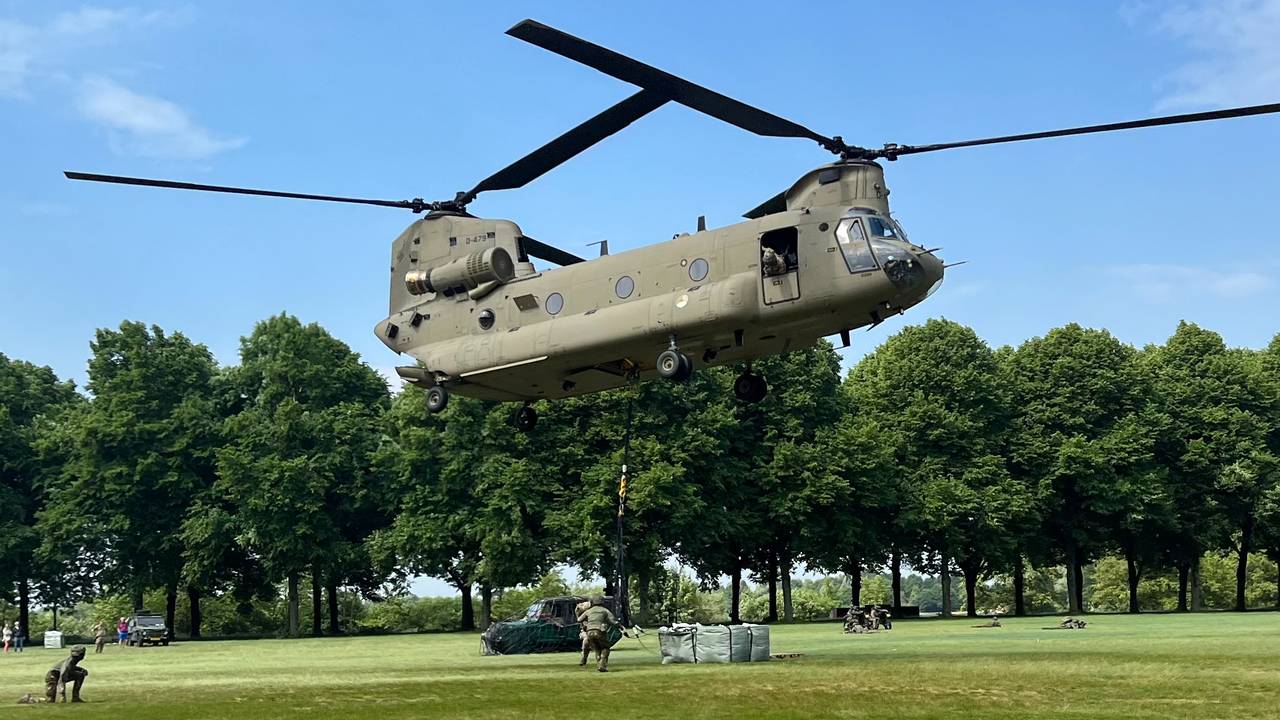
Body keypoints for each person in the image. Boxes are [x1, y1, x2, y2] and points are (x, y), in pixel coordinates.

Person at [576, 594, 617, 672]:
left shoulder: (588, 611)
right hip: (599, 631)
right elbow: (612, 621)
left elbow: (579, 620)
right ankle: (602, 664)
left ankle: (599, 665)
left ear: (592, 602)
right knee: (605, 648)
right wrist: (618, 624)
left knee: (597, 649)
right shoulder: (604, 610)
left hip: (589, 632)